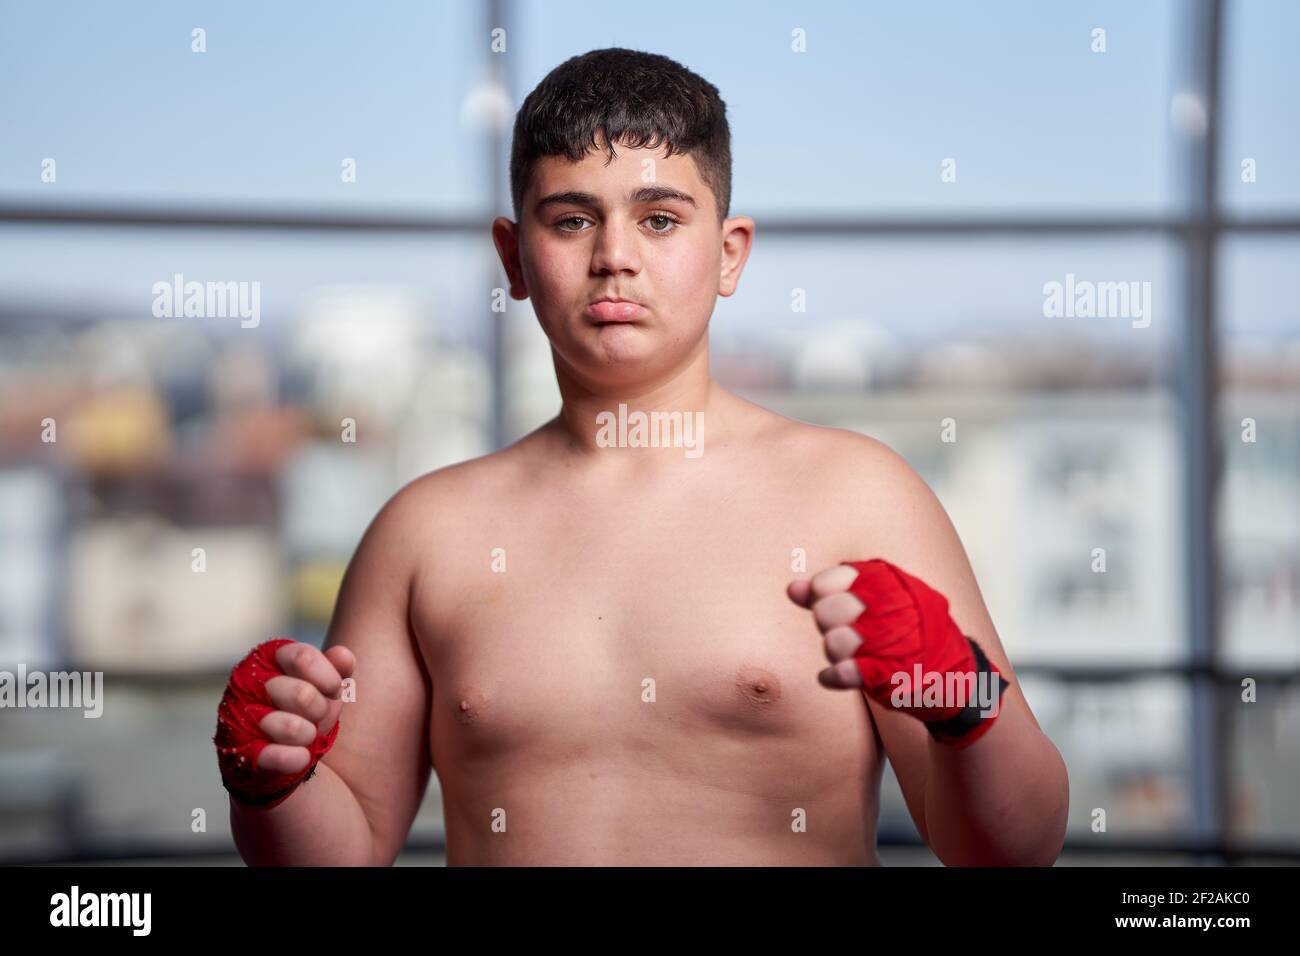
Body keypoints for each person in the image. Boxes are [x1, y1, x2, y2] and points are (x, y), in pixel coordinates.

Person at [215, 47, 1069, 866]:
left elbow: (1008, 850)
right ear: (514, 258)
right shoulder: (425, 530)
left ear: (729, 253)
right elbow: (348, 845)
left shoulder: (858, 495)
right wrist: (270, 783)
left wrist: (967, 698)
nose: (614, 257)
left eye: (659, 219)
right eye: (572, 220)